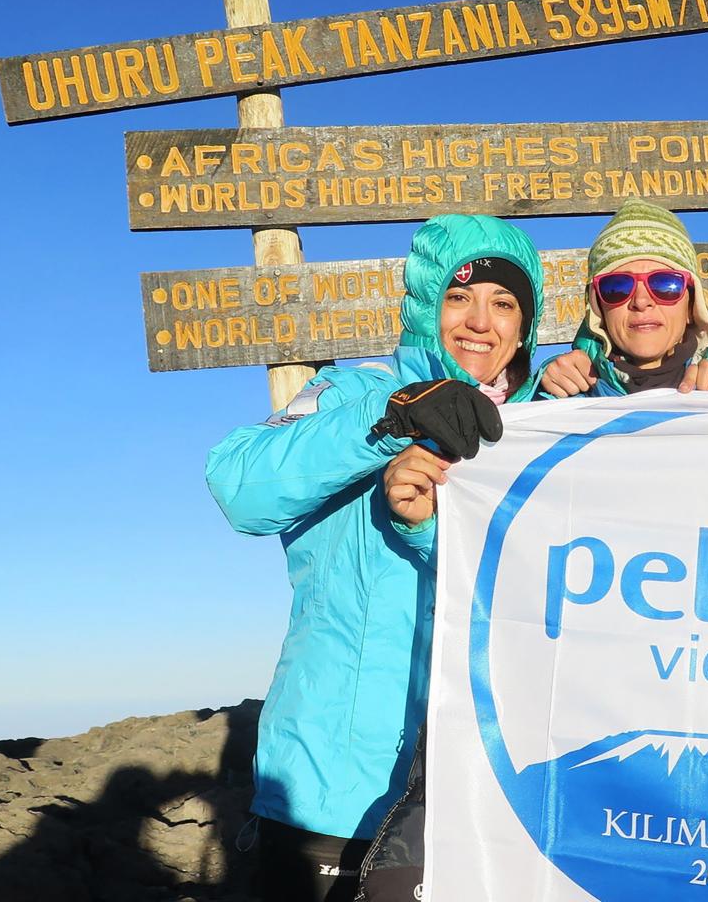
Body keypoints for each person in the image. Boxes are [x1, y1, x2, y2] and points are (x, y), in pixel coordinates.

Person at [204, 214, 544, 902]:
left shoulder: (541, 432)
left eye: (504, 304)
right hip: (335, 786)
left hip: (485, 791)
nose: (481, 321)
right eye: (458, 296)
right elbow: (240, 488)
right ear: (424, 306)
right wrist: (394, 418)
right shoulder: (352, 397)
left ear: (525, 325)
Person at [537, 198, 708, 397]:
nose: (641, 301)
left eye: (665, 284)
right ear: (598, 308)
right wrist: (539, 391)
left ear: (692, 305)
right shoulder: (561, 401)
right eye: (616, 287)